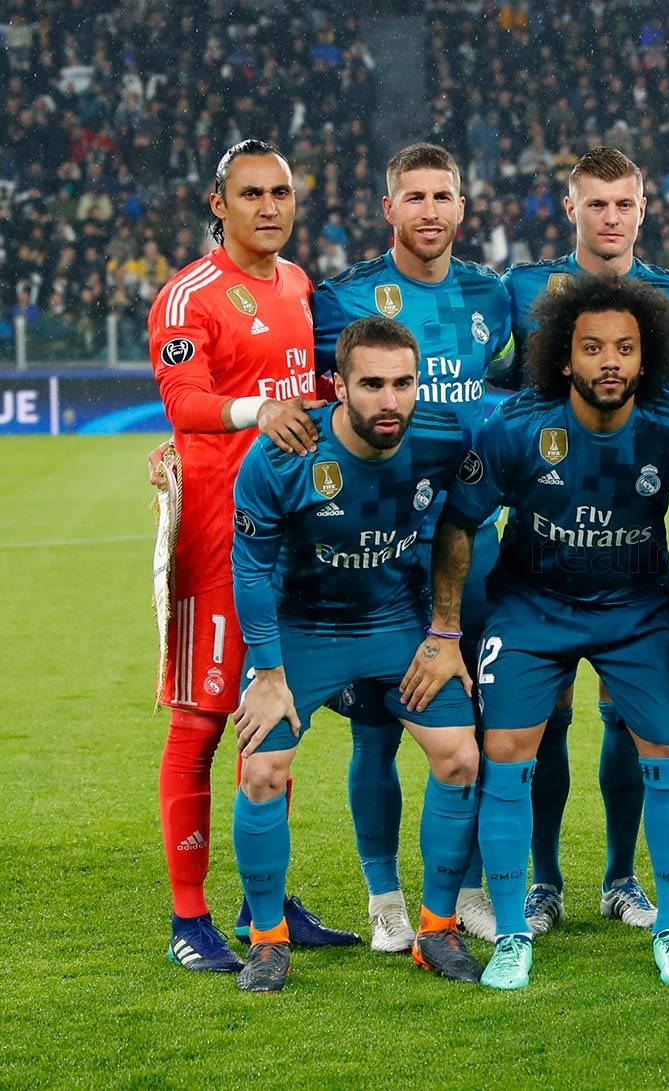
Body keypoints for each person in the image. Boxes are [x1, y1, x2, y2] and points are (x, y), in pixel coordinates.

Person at [401, 276, 669, 989]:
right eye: (592, 348)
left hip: (638, 609)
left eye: (625, 349)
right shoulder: (515, 427)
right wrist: (445, 630)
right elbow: (458, 523)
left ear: (647, 356)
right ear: (563, 357)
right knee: (505, 750)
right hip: (532, 605)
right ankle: (514, 932)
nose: (610, 362)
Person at [230, 315, 484, 993]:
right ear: (338, 386)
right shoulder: (286, 455)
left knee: (460, 756)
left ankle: (436, 929)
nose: (390, 400)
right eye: (372, 384)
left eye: (404, 383)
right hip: (303, 629)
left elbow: (463, 521)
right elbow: (249, 568)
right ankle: (267, 940)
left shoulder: (443, 437)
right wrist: (268, 672)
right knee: (263, 770)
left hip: (396, 623)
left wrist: (445, 632)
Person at [148, 138, 352, 974]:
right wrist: (255, 410)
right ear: (218, 203)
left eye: (281, 192)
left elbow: (317, 392)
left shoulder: (300, 284)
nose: (270, 206)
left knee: (274, 717)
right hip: (213, 535)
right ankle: (188, 918)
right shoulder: (189, 294)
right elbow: (185, 400)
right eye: (252, 193)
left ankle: (261, 900)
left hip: (291, 534)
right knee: (200, 721)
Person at [494, 147, 669, 937]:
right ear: (571, 208)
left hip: (631, 544)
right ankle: (544, 880)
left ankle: (621, 876)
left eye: (623, 204)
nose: (610, 218)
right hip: (544, 535)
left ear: (643, 210)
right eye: (596, 204)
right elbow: (489, 379)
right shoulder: (524, 289)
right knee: (544, 721)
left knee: (628, 720)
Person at [312, 142, 513, 952]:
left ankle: (466, 888)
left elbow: (525, 381)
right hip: (381, 551)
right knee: (376, 732)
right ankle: (384, 897)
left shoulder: (491, 295)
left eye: (444, 195)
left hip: (473, 543)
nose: (430, 210)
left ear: (463, 205)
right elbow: (304, 398)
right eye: (415, 196)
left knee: (477, 726)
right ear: (388, 207)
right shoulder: (343, 298)